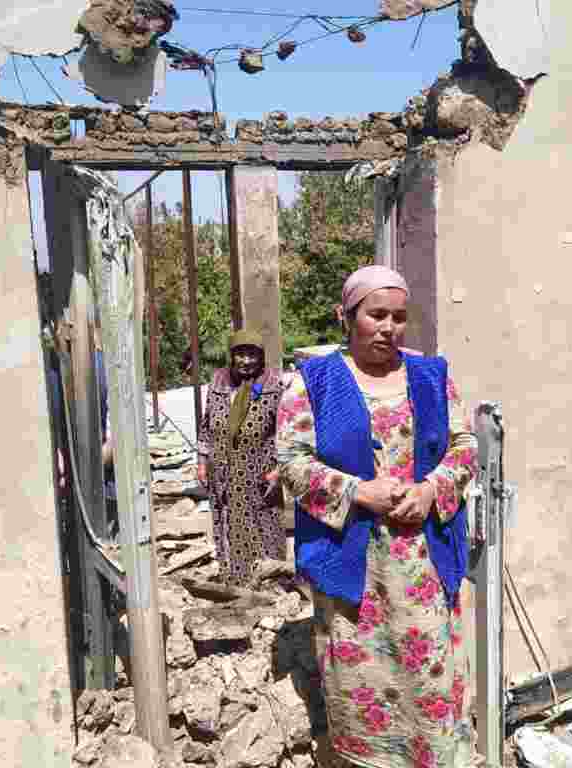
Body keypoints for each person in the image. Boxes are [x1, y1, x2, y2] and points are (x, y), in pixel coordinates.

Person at [276, 265, 478, 768]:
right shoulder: (313, 383)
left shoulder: (431, 376)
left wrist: (431, 490)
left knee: (431, 682)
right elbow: (292, 462)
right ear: (346, 317)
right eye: (376, 315)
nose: (389, 327)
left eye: (399, 317)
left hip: (421, 568)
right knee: (362, 684)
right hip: (355, 573)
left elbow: (465, 445)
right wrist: (359, 491)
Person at [196, 329, 286, 585]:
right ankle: (234, 579)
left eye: (252, 355)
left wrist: (279, 470)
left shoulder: (274, 386)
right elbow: (207, 424)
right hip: (222, 471)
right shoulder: (218, 382)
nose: (246, 361)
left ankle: (269, 583)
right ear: (232, 355)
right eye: (240, 354)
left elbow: (286, 432)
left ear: (261, 357)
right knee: (227, 522)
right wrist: (202, 462)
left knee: (263, 525)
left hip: (259, 472)